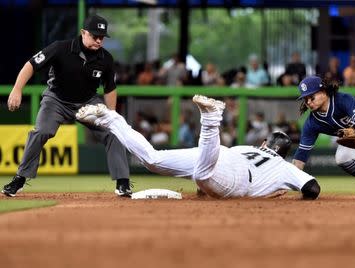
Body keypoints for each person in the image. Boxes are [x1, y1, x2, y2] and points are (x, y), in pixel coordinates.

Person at [76, 95, 321, 199]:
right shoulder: (282, 166)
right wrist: (281, 194)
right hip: (237, 177)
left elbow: (207, 184)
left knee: (152, 159)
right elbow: (312, 188)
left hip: (224, 155)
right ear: (283, 153)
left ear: (265, 144)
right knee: (202, 174)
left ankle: (110, 118)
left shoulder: (248, 147)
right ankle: (212, 118)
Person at [2, 14, 132, 197]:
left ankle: (123, 182)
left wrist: (112, 116)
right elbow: (31, 64)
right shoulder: (60, 48)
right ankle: (20, 179)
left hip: (88, 102)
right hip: (56, 100)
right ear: (83, 33)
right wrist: (17, 89)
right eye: (95, 36)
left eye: (102, 37)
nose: (99, 40)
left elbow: (110, 88)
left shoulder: (106, 59)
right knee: (41, 131)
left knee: (114, 131)